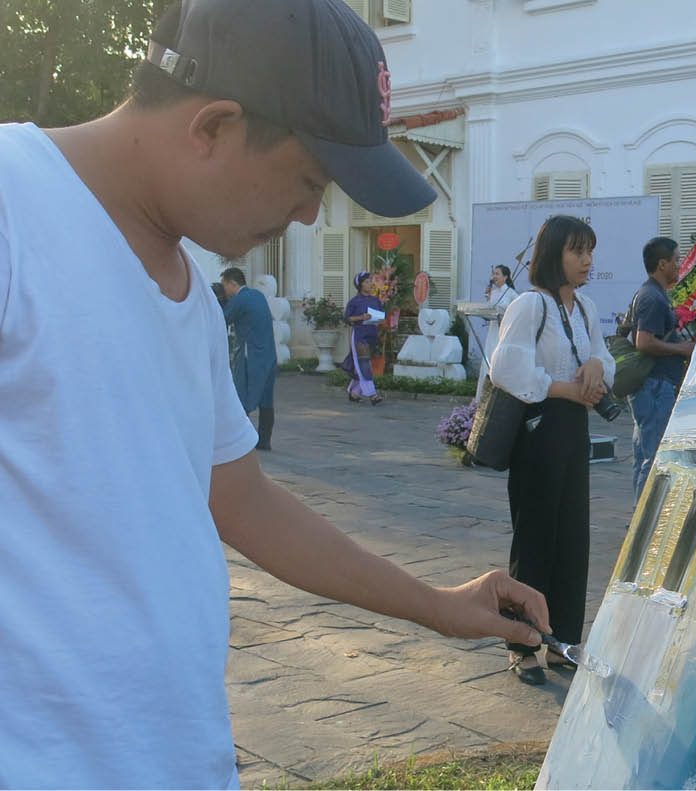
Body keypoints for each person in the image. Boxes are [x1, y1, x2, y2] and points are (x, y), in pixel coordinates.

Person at [0, 1, 549, 787]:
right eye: (305, 179)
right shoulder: (14, 209)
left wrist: (438, 603)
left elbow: (243, 498)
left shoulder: (187, 294)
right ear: (214, 125)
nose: (308, 214)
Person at [489, 215, 615, 686]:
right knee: (535, 538)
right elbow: (507, 369)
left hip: (573, 430)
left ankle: (562, 639)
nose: (587, 261)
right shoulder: (529, 305)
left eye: (590, 251)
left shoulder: (585, 307)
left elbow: (604, 355)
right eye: (577, 251)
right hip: (538, 429)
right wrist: (563, 388)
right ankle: (522, 643)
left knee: (573, 537)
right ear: (553, 255)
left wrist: (599, 367)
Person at [626, 237, 696, 502]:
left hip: (654, 385)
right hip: (656, 386)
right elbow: (644, 342)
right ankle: (642, 524)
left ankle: (637, 519)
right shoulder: (652, 297)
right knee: (652, 457)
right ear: (662, 264)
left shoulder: (653, 293)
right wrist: (683, 349)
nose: (679, 266)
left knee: (644, 453)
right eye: (676, 260)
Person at [221, 266, 278, 450]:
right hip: (268, 355)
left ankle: (239, 440)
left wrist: (219, 301)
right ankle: (264, 441)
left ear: (232, 283)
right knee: (266, 400)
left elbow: (220, 319)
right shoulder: (258, 295)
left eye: (224, 286)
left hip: (251, 356)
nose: (224, 290)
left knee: (242, 396)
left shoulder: (240, 299)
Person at [476, 264, 519, 400]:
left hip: (505, 331)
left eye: (497, 274)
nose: (494, 277)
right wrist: (487, 297)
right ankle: (485, 396)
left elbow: (517, 313)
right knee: (489, 357)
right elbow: (488, 310)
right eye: (493, 274)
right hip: (493, 330)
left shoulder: (512, 294)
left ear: (505, 277)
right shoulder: (493, 293)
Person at [342, 270, 384, 405]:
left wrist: (379, 320)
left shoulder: (376, 300)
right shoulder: (354, 302)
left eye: (371, 280)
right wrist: (362, 317)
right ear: (360, 285)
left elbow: (380, 316)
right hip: (359, 335)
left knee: (363, 364)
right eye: (367, 281)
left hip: (372, 335)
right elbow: (347, 318)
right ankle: (372, 394)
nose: (370, 283)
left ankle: (354, 393)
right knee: (364, 364)